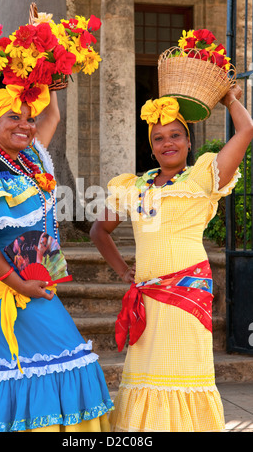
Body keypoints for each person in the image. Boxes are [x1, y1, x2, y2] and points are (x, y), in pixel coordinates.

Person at [90, 85, 253, 432]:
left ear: (189, 140)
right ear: (151, 148)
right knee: (147, 373)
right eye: (159, 138)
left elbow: (246, 130)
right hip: (147, 298)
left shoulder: (203, 176)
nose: (168, 143)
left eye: (176, 135)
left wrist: (228, 99)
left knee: (184, 372)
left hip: (187, 295)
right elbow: (98, 231)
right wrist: (122, 270)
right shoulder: (131, 186)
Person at [0, 82, 113, 432]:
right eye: (13, 117)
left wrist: (50, 75)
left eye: (28, 119)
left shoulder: (28, 159)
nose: (25, 126)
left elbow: (53, 115)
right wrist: (20, 284)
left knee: (47, 365)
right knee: (66, 359)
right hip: (8, 286)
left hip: (34, 280)